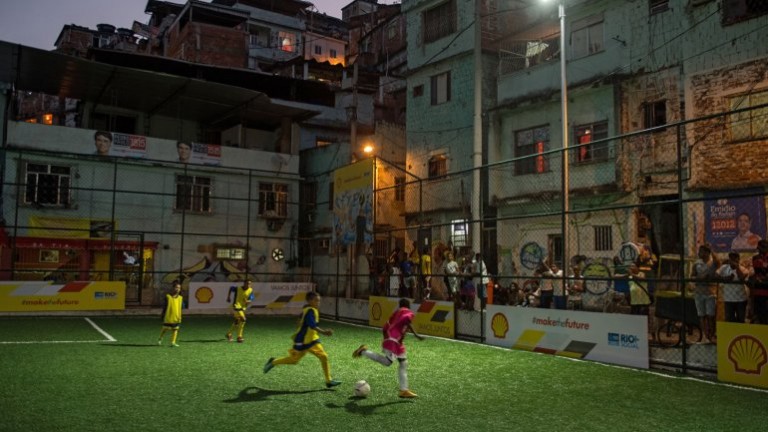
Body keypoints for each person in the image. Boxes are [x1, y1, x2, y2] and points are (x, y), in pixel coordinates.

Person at [263, 291, 341, 389]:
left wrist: (300, 320)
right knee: (293, 361)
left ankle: (328, 381)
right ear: (309, 301)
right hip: (302, 341)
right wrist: (324, 332)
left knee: (324, 356)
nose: (318, 303)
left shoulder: (309, 309)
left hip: (313, 340)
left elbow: (303, 318)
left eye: (319, 301)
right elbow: (312, 325)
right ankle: (273, 362)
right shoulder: (310, 310)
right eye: (316, 300)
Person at [352, 298, 424, 398]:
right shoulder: (406, 311)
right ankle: (363, 351)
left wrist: (387, 338)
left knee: (403, 363)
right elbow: (407, 320)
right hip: (393, 341)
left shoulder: (396, 314)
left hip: (396, 342)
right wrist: (416, 335)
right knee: (387, 362)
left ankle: (404, 390)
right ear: (407, 305)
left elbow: (385, 327)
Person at [691, 244, 720, 343]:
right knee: (701, 315)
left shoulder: (712, 263)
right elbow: (692, 276)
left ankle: (712, 334)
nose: (699, 253)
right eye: (699, 251)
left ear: (707, 253)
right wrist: (700, 278)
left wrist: (712, 249)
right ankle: (705, 335)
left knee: (710, 315)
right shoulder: (697, 264)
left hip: (710, 292)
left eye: (702, 251)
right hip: (699, 292)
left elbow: (718, 262)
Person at [717, 251, 749, 323]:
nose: (733, 260)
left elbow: (741, 278)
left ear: (738, 259)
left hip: (741, 299)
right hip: (729, 299)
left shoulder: (743, 269)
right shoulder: (724, 267)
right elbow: (716, 275)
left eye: (735, 258)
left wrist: (737, 267)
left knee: (740, 319)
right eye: (731, 258)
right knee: (729, 319)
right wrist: (725, 278)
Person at [158, 282, 184, 347]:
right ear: (173, 288)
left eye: (179, 288)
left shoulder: (180, 298)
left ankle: (173, 342)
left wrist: (180, 315)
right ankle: (160, 338)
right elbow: (165, 306)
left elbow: (180, 308)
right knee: (165, 329)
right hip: (168, 316)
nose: (177, 289)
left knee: (175, 329)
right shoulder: (168, 296)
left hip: (176, 316)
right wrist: (162, 314)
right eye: (176, 287)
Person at [749, 239, 768, 324]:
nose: (761, 249)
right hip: (757, 291)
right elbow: (756, 272)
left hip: (766, 290)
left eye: (763, 247)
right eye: (760, 247)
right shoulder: (755, 258)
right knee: (758, 314)